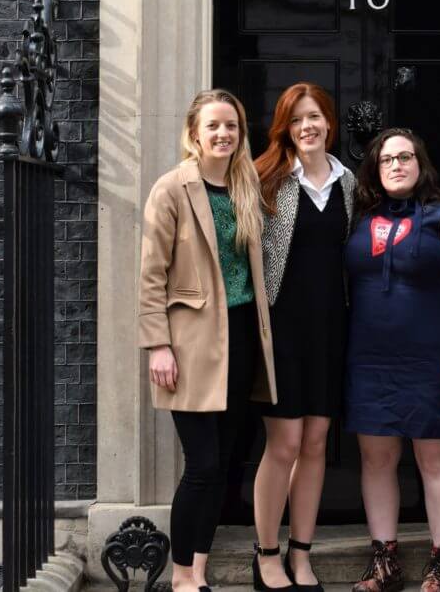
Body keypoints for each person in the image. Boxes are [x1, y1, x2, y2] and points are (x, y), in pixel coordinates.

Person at [138, 89, 277, 592]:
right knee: (202, 464)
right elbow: (152, 273)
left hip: (241, 340)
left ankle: (200, 568)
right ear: (194, 133)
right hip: (191, 344)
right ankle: (180, 577)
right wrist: (158, 345)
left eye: (232, 126)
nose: (223, 134)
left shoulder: (245, 185)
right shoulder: (172, 188)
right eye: (214, 126)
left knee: (224, 465)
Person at [344, 128, 440, 592]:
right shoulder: (358, 215)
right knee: (376, 458)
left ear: (421, 163)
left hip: (432, 357)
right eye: (386, 160)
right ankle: (385, 561)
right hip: (369, 358)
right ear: (375, 169)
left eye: (405, 157)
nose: (396, 165)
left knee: (435, 458)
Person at [251, 83, 355, 592]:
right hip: (281, 330)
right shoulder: (265, 177)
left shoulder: (348, 181)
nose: (306, 127)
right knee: (285, 442)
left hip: (331, 327)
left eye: (314, 117)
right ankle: (266, 552)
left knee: (315, 443)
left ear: (329, 122)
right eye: (296, 120)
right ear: (284, 128)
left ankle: (301, 553)